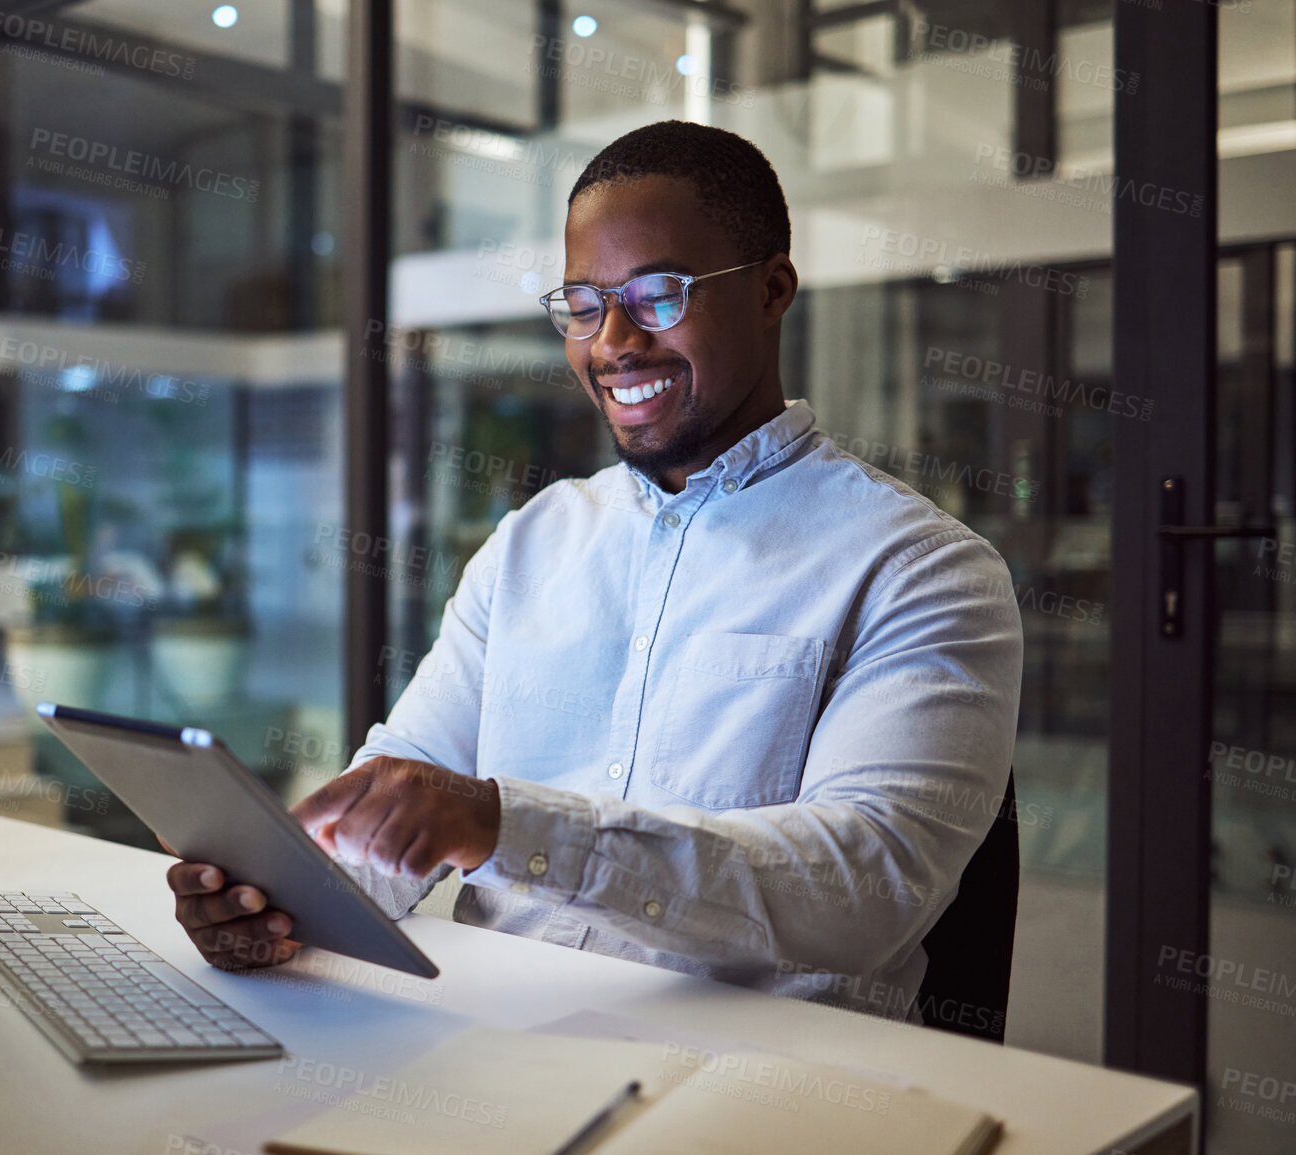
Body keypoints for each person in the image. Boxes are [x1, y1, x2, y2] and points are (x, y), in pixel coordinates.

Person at [165, 120, 1022, 1021]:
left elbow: (864, 886)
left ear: (772, 290)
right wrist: (282, 900)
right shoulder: (533, 540)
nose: (610, 341)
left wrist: (504, 825)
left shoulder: (922, 569)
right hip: (490, 1036)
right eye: (582, 302)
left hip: (756, 1079)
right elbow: (409, 782)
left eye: (658, 294)